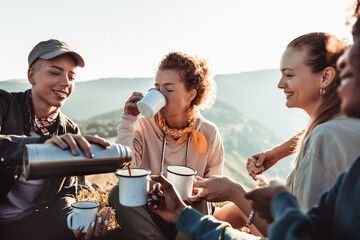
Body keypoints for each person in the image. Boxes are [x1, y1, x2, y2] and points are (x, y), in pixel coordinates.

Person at [194, 32, 360, 236]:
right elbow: (318, 129)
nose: (280, 84)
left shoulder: (325, 138)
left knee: (209, 225)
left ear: (325, 77)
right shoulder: (343, 123)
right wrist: (277, 152)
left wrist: (234, 192)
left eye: (289, 75)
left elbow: (296, 234)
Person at [0, 39, 111, 240]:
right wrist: (42, 144)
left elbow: (65, 192)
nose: (66, 82)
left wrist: (71, 218)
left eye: (71, 76)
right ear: (31, 76)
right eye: (55, 72)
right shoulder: (4, 104)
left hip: (31, 222)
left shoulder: (69, 129)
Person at [108, 52, 224, 240]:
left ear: (191, 94)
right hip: (150, 211)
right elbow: (124, 170)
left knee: (204, 204)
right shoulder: (144, 125)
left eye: (168, 90)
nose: (160, 95)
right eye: (156, 88)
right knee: (118, 192)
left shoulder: (208, 132)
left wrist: (199, 190)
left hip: (187, 212)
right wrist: (128, 120)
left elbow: (216, 183)